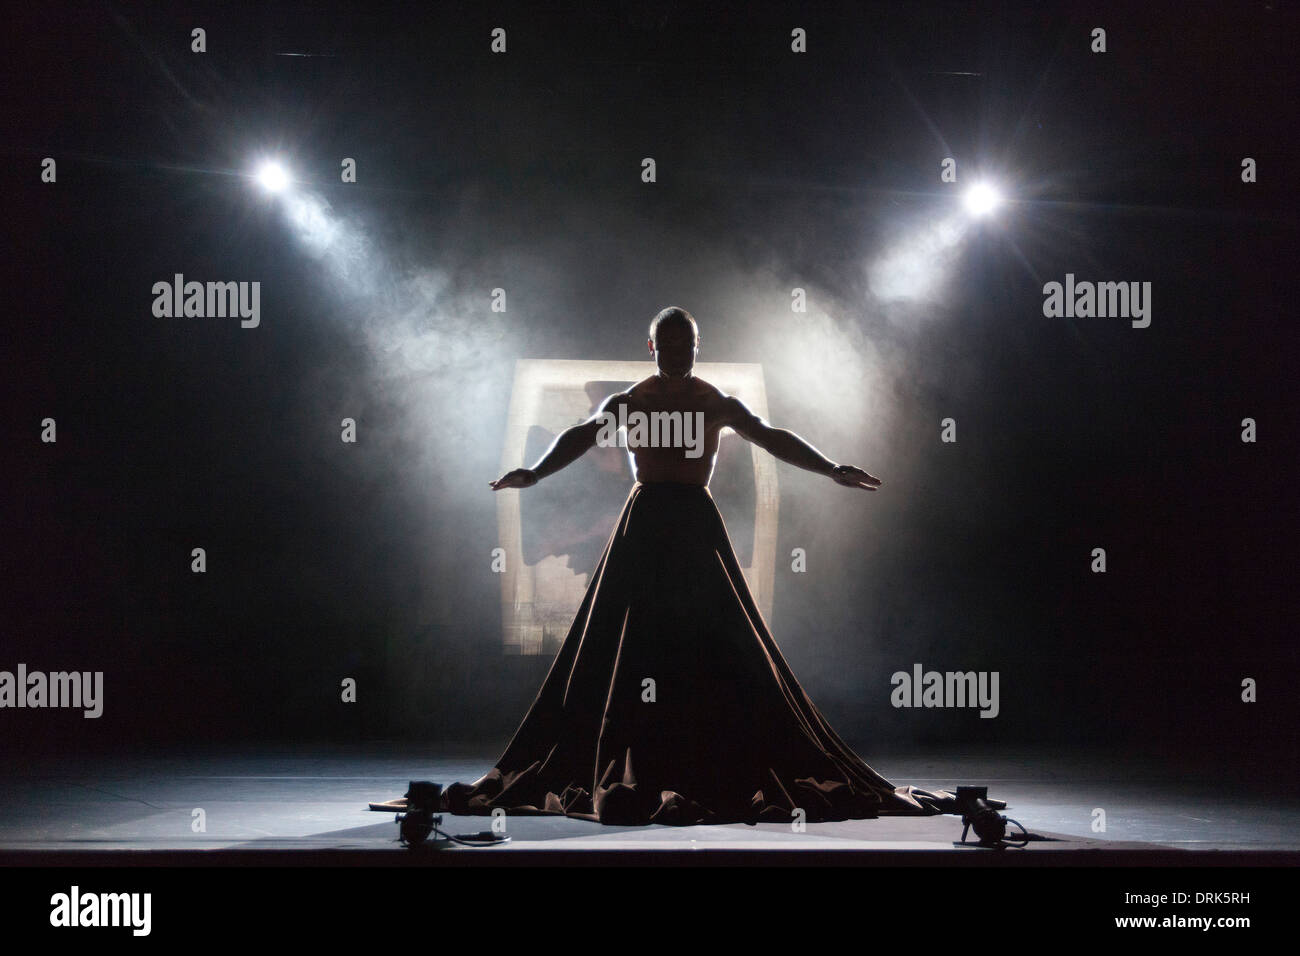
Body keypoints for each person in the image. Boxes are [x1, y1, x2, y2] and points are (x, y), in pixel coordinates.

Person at [440, 306, 1005, 825]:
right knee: (628, 648)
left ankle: (715, 756)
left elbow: (771, 436)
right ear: (652, 346)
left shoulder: (715, 402)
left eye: (685, 344)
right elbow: (584, 435)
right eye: (667, 344)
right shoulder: (632, 401)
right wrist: (534, 474)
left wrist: (832, 468)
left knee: (723, 646)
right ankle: (639, 752)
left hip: (694, 527)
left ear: (697, 347)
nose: (677, 353)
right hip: (646, 525)